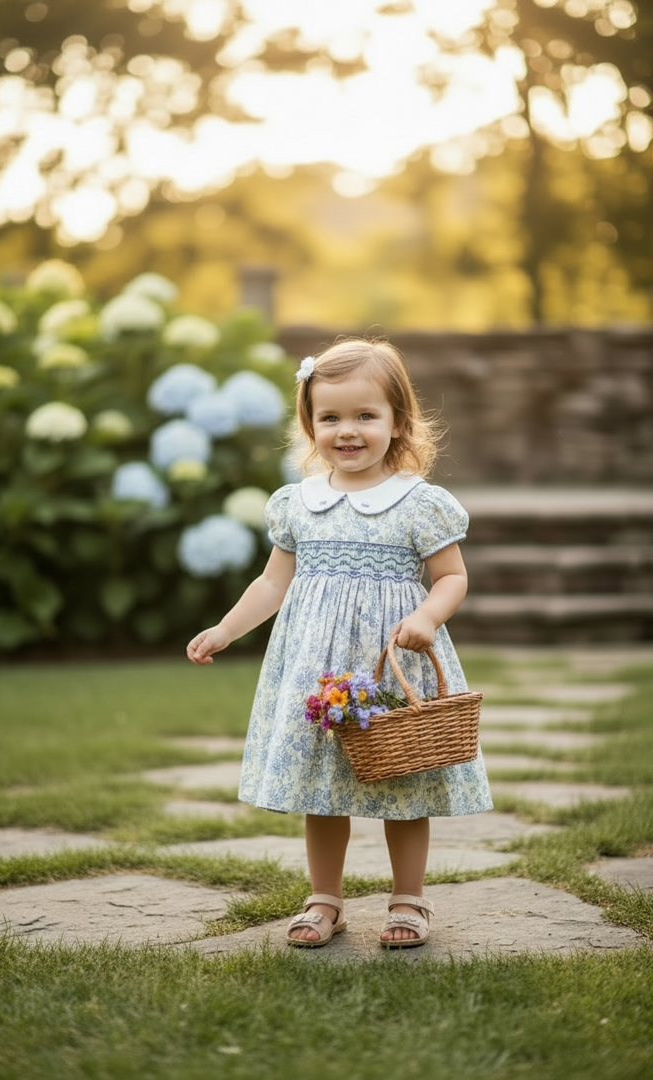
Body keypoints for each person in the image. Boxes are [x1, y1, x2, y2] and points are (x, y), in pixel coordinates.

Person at [187, 338, 492, 948]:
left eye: (365, 416)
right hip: (318, 674)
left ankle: (409, 900)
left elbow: (452, 577)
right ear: (310, 423)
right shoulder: (300, 504)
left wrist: (428, 617)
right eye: (330, 418)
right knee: (321, 786)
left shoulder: (416, 504)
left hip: (391, 664)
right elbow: (274, 581)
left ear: (397, 422)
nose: (346, 431)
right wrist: (225, 628)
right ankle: (325, 897)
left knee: (404, 779)